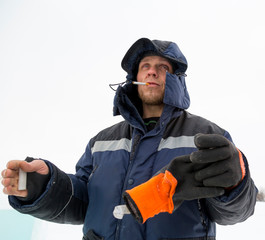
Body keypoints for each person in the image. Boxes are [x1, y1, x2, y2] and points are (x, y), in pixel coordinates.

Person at [1, 38, 257, 240]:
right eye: (145, 66)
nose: (152, 72)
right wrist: (43, 185)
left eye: (162, 67)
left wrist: (237, 184)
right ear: (134, 79)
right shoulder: (100, 142)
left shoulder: (209, 136)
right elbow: (81, 203)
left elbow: (234, 213)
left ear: (177, 80)